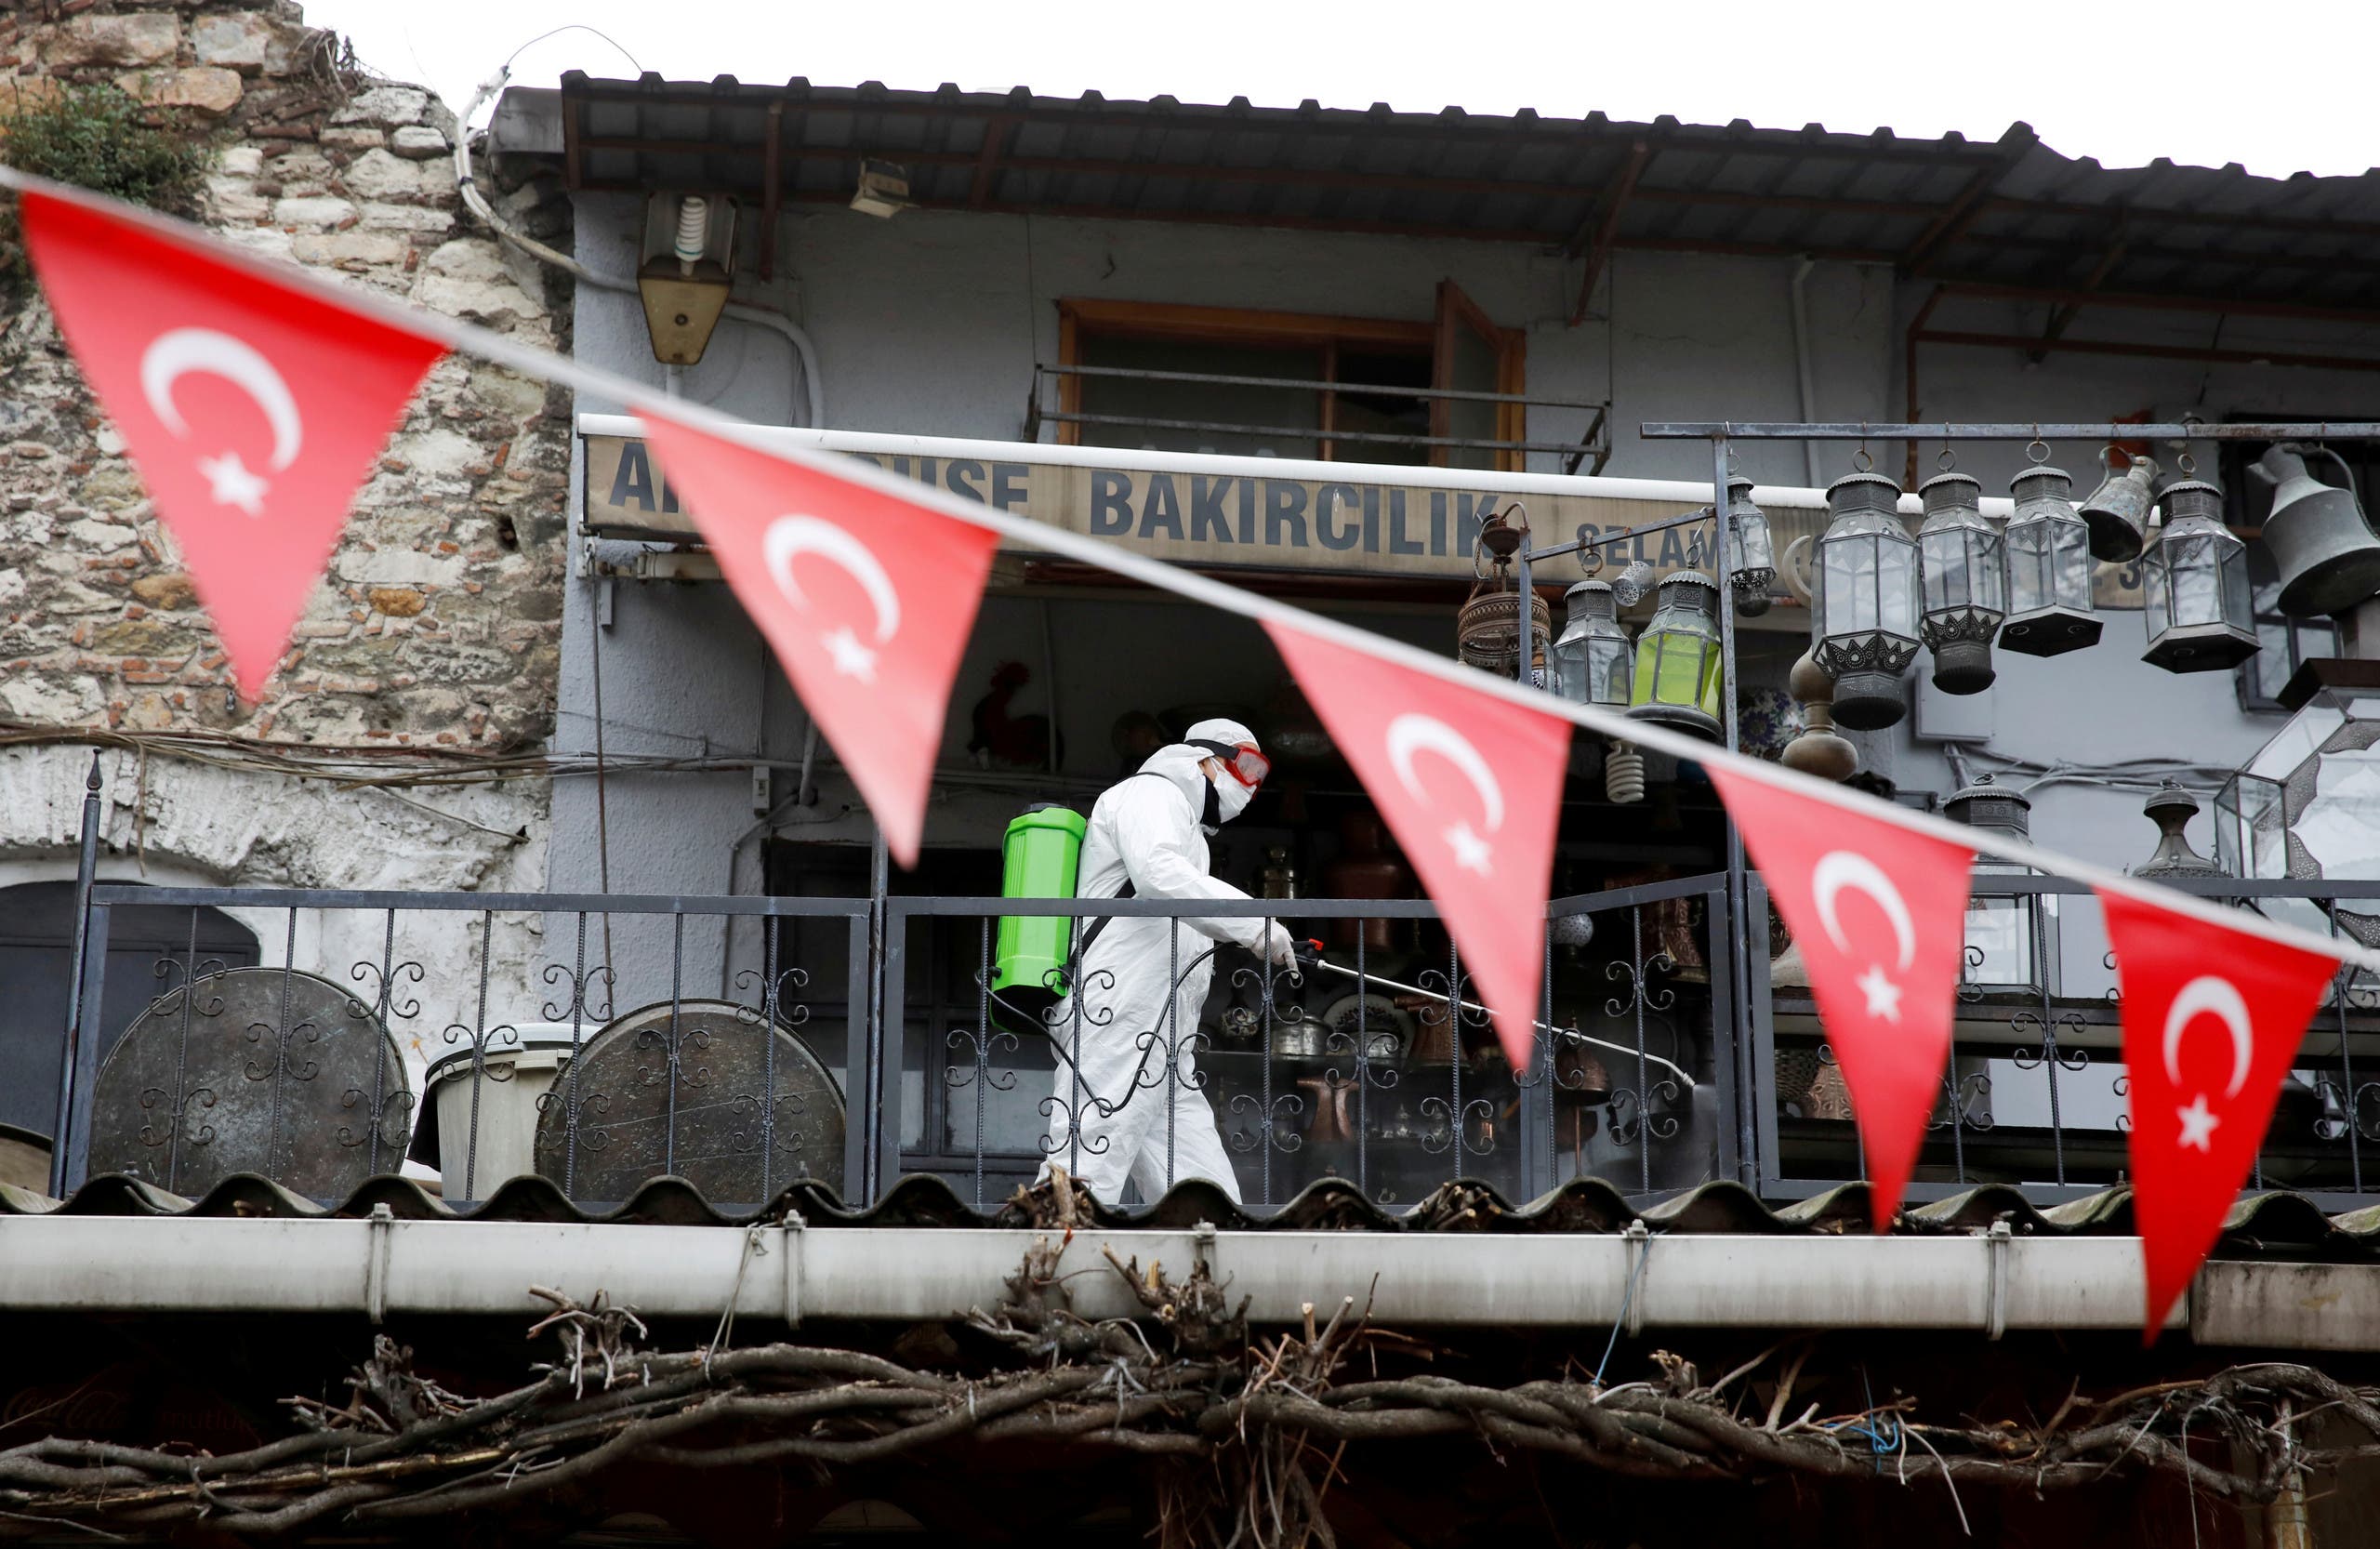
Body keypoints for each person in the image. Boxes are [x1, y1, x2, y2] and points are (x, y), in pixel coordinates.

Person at [1038, 717, 1296, 1206]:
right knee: (1083, 1170)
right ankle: (1049, 1249)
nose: (1251, 786)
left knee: (1204, 1196)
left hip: (1163, 1036)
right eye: (1246, 767)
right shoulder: (1151, 793)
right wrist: (1255, 924)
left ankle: (1209, 1250)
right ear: (1205, 760)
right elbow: (1158, 874)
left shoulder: (1188, 831)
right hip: (1118, 1011)